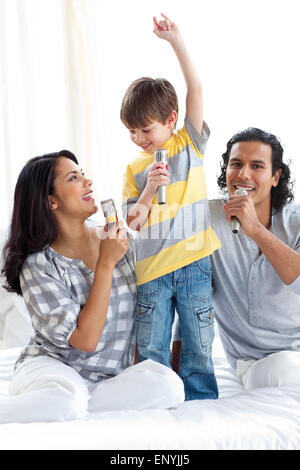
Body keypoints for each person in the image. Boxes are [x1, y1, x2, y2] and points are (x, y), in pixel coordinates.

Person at [0, 150, 184, 424]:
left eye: (83, 174)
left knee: (168, 386)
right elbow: (85, 340)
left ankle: (74, 406)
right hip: (53, 368)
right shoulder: (38, 264)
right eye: (74, 178)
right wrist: (106, 264)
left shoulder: (117, 240)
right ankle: (64, 403)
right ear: (51, 201)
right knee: (66, 398)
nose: (88, 183)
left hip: (104, 380)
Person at [121, 14, 221, 400]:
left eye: (146, 130)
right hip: (152, 271)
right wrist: (147, 191)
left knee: (198, 339)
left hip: (195, 263)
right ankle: (154, 402)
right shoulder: (134, 169)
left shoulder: (188, 146)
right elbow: (133, 222)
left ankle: (199, 403)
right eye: (132, 131)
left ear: (171, 121)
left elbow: (195, 87)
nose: (139, 138)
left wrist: (176, 41)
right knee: (151, 346)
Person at [173, 127, 300, 390]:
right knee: (285, 371)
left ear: (276, 177)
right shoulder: (207, 219)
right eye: (236, 164)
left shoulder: (295, 222)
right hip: (254, 364)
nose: (243, 175)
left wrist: (255, 231)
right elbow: (192, 302)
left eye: (256, 166)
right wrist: (176, 375)